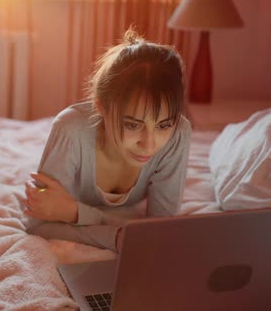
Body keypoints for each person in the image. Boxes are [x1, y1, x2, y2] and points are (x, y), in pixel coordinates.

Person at [21, 28, 192, 252]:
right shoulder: (70, 129)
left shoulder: (178, 134)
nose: (149, 144)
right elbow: (38, 223)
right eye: (132, 124)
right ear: (100, 106)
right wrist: (115, 237)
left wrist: (75, 212)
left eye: (163, 125)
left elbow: (158, 230)